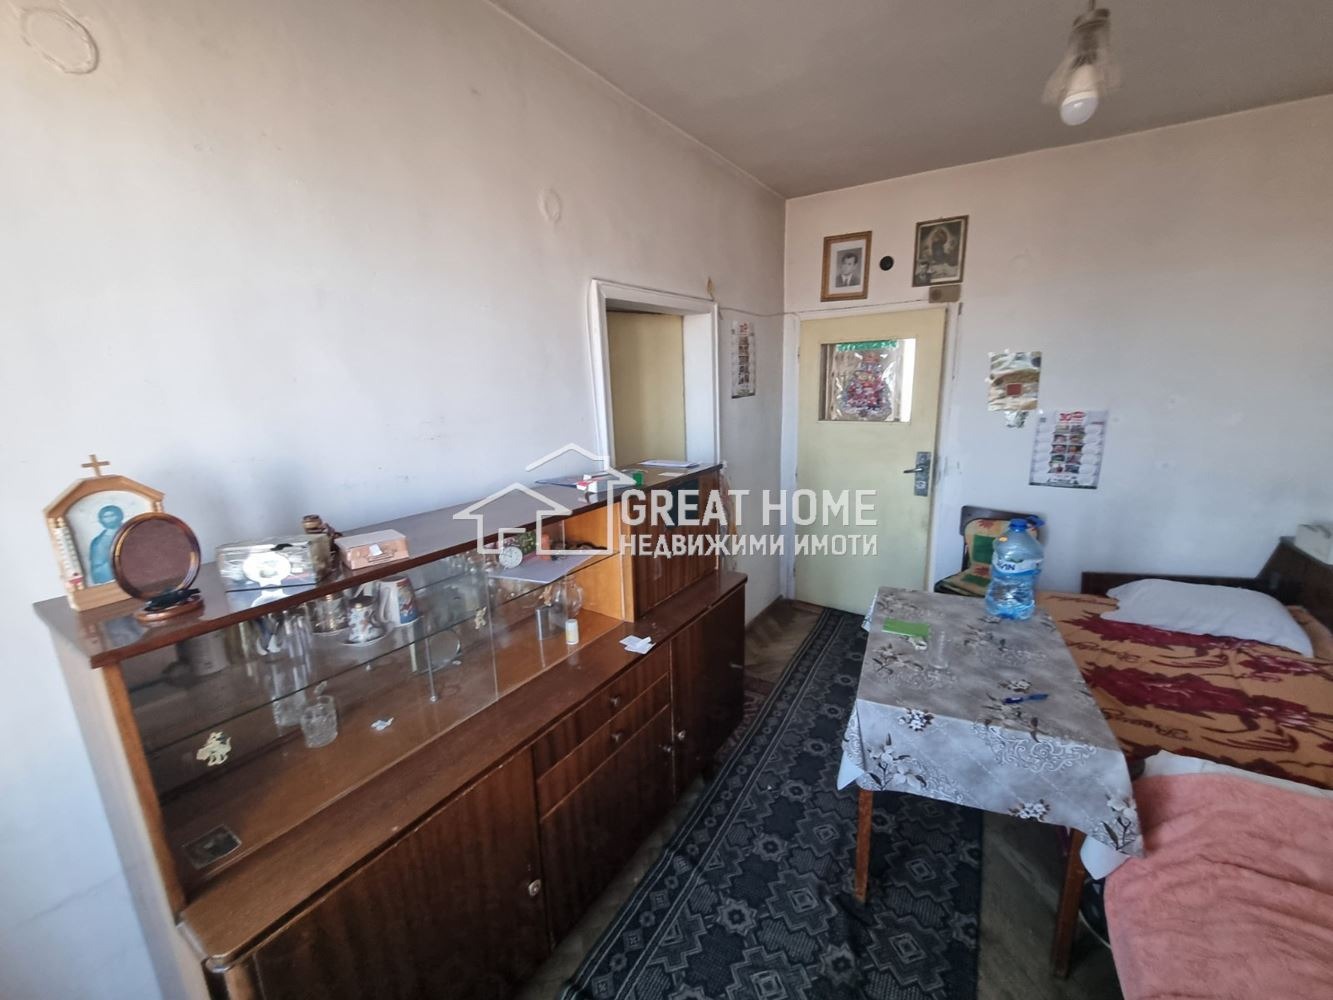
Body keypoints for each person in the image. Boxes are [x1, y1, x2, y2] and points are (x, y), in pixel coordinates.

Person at [88, 504, 125, 584]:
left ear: (119, 516)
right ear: (101, 520)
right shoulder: (97, 542)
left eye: (112, 515)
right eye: (106, 517)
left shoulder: (131, 531)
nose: (110, 519)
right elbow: (97, 569)